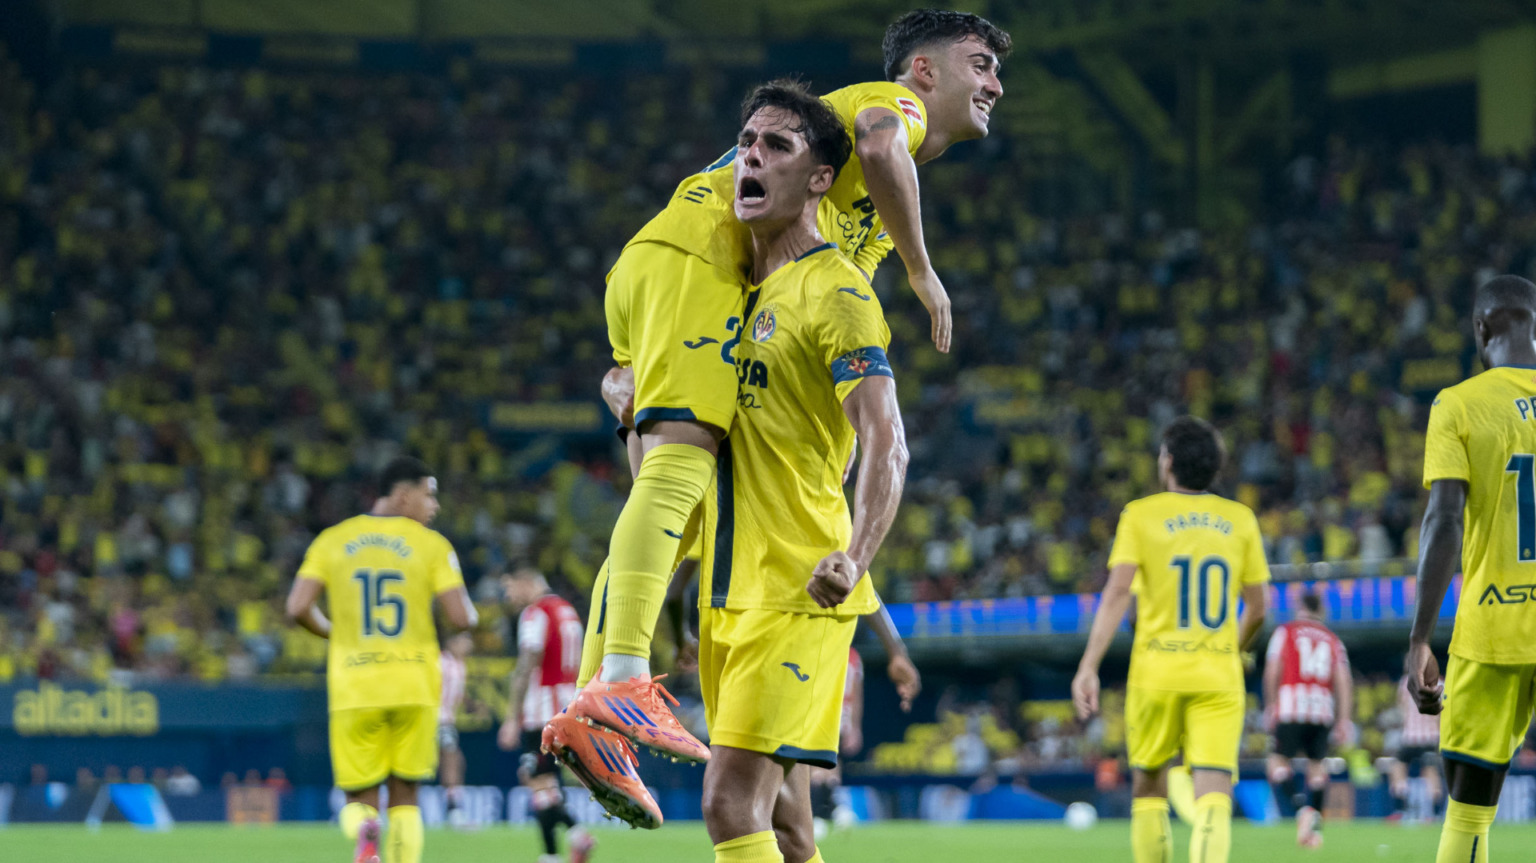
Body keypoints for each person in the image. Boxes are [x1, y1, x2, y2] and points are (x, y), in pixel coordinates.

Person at [561, 10, 1011, 781]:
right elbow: (874, 140)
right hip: (698, 253)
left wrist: (626, 370)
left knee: (673, 494)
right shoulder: (893, 106)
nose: (995, 84)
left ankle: (592, 709)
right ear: (926, 73)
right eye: (980, 65)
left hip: (674, 269)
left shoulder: (827, 231)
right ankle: (620, 680)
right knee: (676, 469)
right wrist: (920, 270)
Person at [1072, 417, 1270, 863]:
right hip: (1218, 676)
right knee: (1213, 795)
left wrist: (1088, 667)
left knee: (1148, 790)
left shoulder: (1140, 515)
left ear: (1169, 462)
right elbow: (1258, 608)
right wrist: (1232, 649)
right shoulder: (1240, 520)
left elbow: (1118, 593)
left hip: (1155, 674)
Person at [285, 457, 478, 863]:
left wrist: (335, 632)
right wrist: (469, 618)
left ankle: (365, 829)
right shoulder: (432, 545)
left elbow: (297, 607)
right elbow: (461, 618)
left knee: (360, 797)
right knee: (406, 795)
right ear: (403, 495)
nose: (434, 506)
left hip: (355, 685)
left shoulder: (333, 540)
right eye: (429, 496)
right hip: (415, 684)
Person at [1407, 274, 1536, 863]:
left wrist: (1419, 639)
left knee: (1468, 813)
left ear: (1481, 329)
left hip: (1496, 629)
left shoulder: (1459, 404)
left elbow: (1444, 522)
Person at [497, 569, 595, 863]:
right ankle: (569, 843)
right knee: (546, 783)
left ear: (526, 581)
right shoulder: (567, 611)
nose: (508, 596)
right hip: (569, 707)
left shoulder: (535, 613)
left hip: (542, 711)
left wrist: (511, 717)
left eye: (510, 587)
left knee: (537, 780)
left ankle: (559, 849)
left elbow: (528, 662)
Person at [1263, 592, 1352, 848]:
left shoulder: (1286, 632)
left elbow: (1272, 670)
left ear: (1299, 605)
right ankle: (1314, 831)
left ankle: (1301, 810)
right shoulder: (1333, 640)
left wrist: (1270, 704)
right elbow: (1343, 681)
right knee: (1317, 767)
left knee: (1277, 762)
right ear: (1320, 609)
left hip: (1291, 706)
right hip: (1322, 709)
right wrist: (1343, 719)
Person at [1388, 673, 1442, 822]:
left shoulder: (1407, 682)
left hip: (1421, 737)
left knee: (1427, 772)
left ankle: (1408, 811)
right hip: (1419, 737)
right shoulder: (1437, 683)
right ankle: (1412, 812)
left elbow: (1401, 706)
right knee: (1425, 772)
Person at [438, 630, 471, 826]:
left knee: (454, 761)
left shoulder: (459, 665)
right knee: (452, 761)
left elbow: (455, 693)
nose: (468, 645)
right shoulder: (440, 662)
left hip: (446, 720)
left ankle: (453, 809)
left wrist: (470, 704)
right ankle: (454, 812)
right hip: (437, 720)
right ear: (451, 643)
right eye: (463, 641)